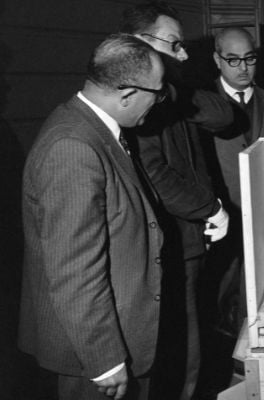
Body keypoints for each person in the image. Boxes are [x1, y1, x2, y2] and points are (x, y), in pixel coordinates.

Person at [18, 33, 165, 400]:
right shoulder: (73, 148)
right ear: (127, 94)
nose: (160, 102)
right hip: (92, 357)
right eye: (157, 93)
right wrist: (105, 360)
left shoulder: (91, 126)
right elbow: (74, 270)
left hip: (117, 334)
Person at [119, 2, 234, 399]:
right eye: (175, 44)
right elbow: (156, 177)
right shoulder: (136, 107)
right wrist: (211, 208)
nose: (184, 54)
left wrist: (173, 84)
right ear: (139, 44)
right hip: (168, 249)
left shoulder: (169, 94)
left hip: (190, 244)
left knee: (191, 349)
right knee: (179, 358)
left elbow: (223, 116)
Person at [204, 27, 264, 336]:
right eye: (233, 59)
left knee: (261, 300)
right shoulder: (200, 105)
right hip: (221, 221)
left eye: (249, 59)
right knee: (218, 304)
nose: (243, 68)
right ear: (217, 60)